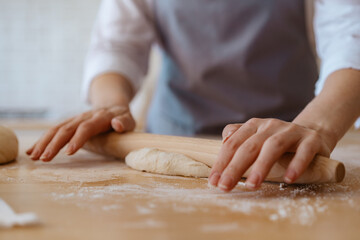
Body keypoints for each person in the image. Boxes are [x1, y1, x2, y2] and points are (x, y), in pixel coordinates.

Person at [26, 0, 360, 192]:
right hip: (173, 134)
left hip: (290, 141)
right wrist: (110, 104)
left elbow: (351, 37)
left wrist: (317, 125)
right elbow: (117, 44)